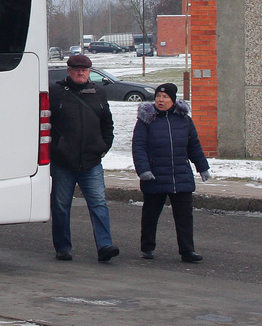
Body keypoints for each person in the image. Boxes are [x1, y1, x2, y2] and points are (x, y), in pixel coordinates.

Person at [49, 54, 119, 261]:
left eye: (84, 70)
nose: (80, 73)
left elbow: (107, 123)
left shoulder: (99, 93)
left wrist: (105, 146)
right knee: (61, 206)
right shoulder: (56, 92)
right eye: (76, 69)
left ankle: (105, 246)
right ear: (69, 70)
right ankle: (63, 247)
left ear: (89, 72)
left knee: (98, 204)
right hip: (63, 161)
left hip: (91, 162)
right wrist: (55, 149)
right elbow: (43, 123)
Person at [132, 82, 210, 262]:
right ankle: (147, 247)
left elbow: (194, 145)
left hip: (180, 175)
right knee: (151, 214)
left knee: (184, 216)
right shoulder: (146, 120)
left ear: (173, 99)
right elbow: (139, 147)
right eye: (158, 96)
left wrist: (202, 167)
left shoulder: (184, 119)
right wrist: (143, 170)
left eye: (165, 97)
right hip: (155, 174)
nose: (160, 100)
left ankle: (187, 251)